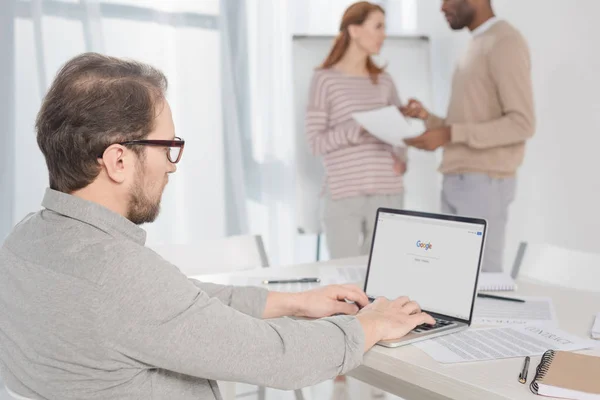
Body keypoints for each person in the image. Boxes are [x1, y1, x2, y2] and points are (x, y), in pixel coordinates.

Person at [0, 53, 434, 400]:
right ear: (118, 160)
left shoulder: (24, 242)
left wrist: (295, 303)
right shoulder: (119, 277)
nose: (171, 167)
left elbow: (183, 303)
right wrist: (372, 323)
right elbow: (279, 359)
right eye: (168, 147)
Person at [403, 0, 535, 272]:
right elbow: (466, 124)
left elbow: (522, 124)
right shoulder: (476, 44)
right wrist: (429, 119)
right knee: (450, 278)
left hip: (483, 183)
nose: (441, 7)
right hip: (457, 179)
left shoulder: (504, 41)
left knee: (480, 282)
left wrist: (449, 133)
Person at [305, 1, 407, 260]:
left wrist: (402, 158)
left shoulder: (385, 81)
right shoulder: (324, 79)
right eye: (378, 26)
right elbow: (315, 142)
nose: (384, 34)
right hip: (344, 193)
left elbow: (400, 135)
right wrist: (357, 127)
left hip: (387, 193)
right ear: (354, 30)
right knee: (345, 279)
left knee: (385, 274)